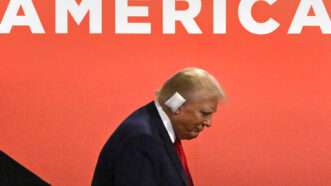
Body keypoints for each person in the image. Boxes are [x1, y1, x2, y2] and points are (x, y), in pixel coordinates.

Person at [92, 67, 226, 186]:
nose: (208, 123)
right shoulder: (142, 140)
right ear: (177, 106)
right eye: (205, 113)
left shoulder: (156, 130)